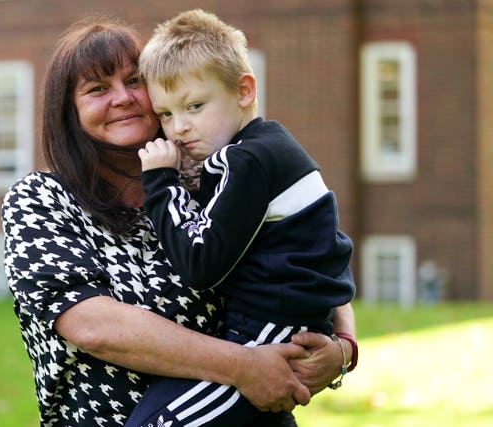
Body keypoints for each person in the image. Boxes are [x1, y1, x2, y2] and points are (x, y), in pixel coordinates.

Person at [1, 15, 357, 427]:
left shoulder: (205, 175)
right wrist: (244, 367)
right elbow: (92, 325)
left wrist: (343, 347)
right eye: (98, 89)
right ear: (69, 113)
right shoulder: (41, 199)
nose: (122, 97)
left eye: (133, 81)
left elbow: (310, 250)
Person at [126, 9, 357, 427]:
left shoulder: (246, 159)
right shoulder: (270, 145)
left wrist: (161, 183)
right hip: (272, 325)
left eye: (194, 105)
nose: (178, 128)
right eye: (165, 114)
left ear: (244, 91)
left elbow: (201, 262)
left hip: (272, 332)